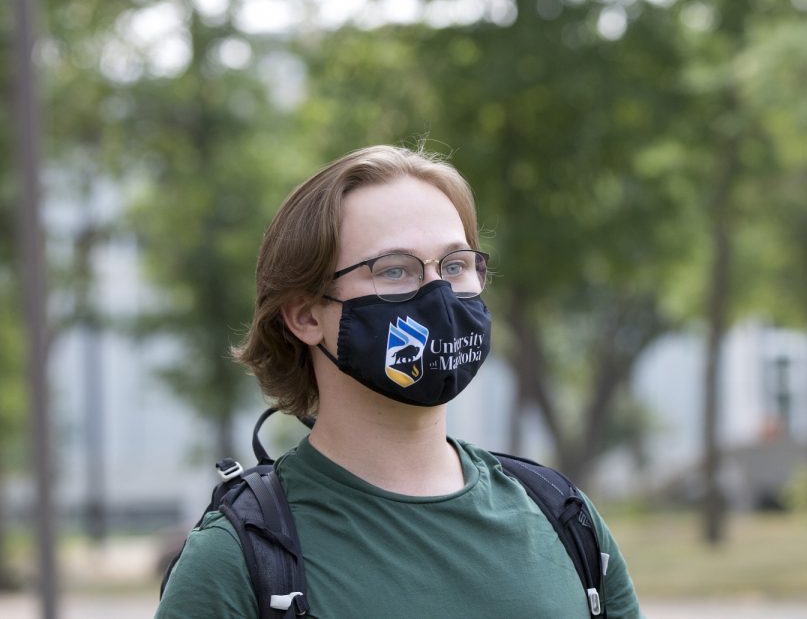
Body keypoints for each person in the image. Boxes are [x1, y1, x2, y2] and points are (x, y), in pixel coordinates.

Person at [156, 145, 643, 618]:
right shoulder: (238, 560)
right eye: (394, 271)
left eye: (455, 266)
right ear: (305, 316)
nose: (439, 295)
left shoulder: (563, 518)